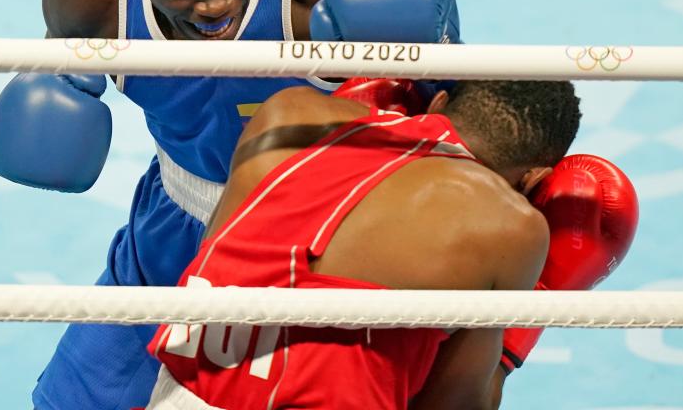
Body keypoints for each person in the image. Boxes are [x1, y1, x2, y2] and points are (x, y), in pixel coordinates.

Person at [0, 0, 462, 409]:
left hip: (325, 245)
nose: (214, 4)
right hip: (179, 227)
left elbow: (449, 119)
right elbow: (56, 89)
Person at [146, 78, 638, 409]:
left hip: (181, 395)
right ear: (535, 179)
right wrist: (529, 317)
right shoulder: (511, 226)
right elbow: (452, 405)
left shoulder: (288, 112)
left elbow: (219, 253)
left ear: (440, 102)